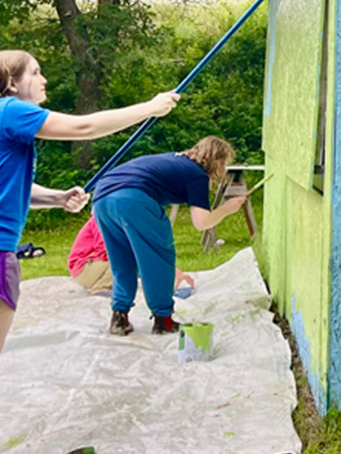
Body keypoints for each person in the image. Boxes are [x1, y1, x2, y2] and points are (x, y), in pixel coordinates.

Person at [0, 50, 180, 454]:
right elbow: (85, 126)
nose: (44, 80)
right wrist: (150, 108)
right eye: (36, 73)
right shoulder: (9, 110)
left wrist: (57, 198)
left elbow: (0, 187)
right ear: (10, 82)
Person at [90, 135, 246, 336]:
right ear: (216, 161)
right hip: (134, 198)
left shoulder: (174, 160)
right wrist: (226, 209)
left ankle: (119, 318)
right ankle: (163, 321)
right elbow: (202, 223)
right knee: (157, 258)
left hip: (102, 198)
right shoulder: (196, 174)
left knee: (122, 259)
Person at [67, 215, 193, 297]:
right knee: (125, 259)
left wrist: (171, 271)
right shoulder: (102, 218)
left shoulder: (121, 220)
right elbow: (106, 250)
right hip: (84, 270)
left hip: (97, 266)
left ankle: (164, 290)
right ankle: (100, 288)